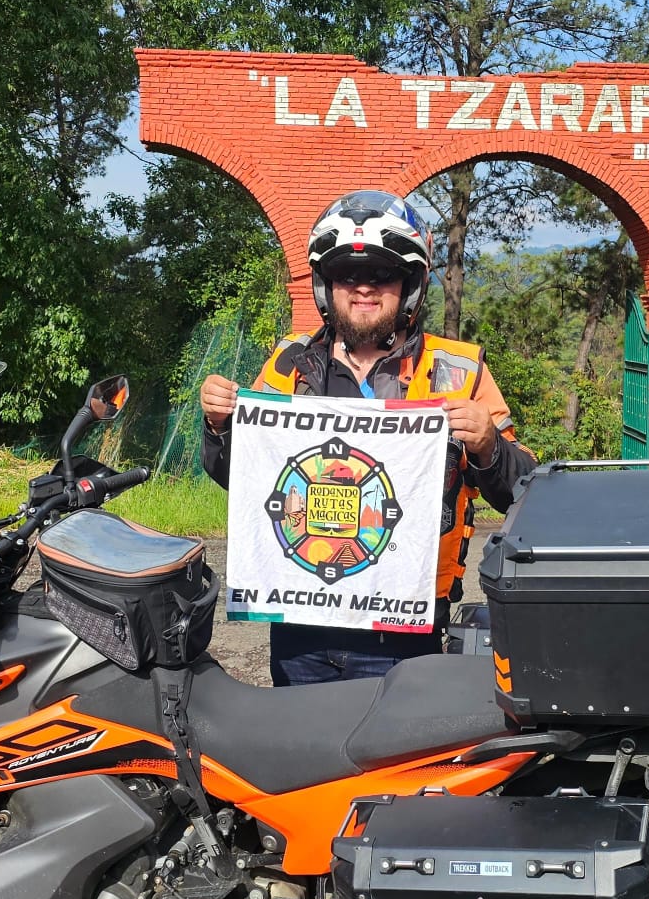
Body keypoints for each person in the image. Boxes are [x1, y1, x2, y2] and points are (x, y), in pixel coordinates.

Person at [200, 189, 536, 685]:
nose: (363, 289)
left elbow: (526, 492)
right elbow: (242, 477)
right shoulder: (290, 362)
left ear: (410, 285)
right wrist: (220, 424)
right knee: (304, 759)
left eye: (382, 275)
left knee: (400, 762)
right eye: (346, 276)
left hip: (407, 629)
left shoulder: (459, 369)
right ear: (325, 285)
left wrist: (489, 444)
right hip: (300, 623)